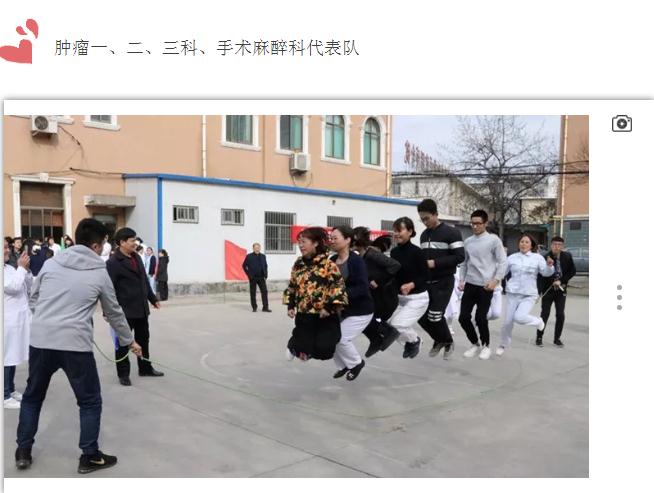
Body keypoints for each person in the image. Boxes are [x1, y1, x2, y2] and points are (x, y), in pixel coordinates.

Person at [15, 218, 142, 474]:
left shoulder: (51, 264)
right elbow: (113, 312)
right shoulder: (99, 272)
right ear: (95, 246)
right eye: (103, 243)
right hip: (75, 345)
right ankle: (89, 456)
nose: (103, 248)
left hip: (41, 341)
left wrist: (46, 319)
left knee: (32, 397)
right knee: (90, 401)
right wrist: (129, 341)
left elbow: (34, 297)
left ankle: (23, 451)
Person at [106, 227, 164, 386]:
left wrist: (152, 299)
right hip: (124, 311)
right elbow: (108, 290)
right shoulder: (112, 263)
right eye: (132, 240)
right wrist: (108, 312)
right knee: (123, 343)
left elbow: (144, 280)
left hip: (141, 309)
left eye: (135, 240)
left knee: (144, 339)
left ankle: (145, 368)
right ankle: (123, 374)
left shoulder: (136, 257)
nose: (135, 243)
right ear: (122, 242)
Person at [283, 227, 347, 362]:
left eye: (304, 242)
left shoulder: (328, 265)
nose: (300, 246)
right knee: (304, 345)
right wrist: (290, 305)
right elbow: (293, 285)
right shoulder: (298, 264)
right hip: (304, 314)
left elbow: (337, 286)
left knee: (325, 351)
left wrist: (328, 307)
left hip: (324, 315)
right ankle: (294, 345)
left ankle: (303, 348)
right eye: (299, 242)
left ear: (316, 243)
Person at [417, 199, 465, 359]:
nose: (425, 222)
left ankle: (448, 342)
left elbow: (460, 257)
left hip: (444, 281)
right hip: (427, 282)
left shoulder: (452, 233)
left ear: (436, 214)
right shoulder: (424, 235)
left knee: (435, 315)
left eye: (427, 218)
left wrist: (435, 263)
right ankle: (439, 340)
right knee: (421, 317)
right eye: (422, 219)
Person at [458, 210, 508, 360]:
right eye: (472, 223)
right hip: (470, 284)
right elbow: (464, 263)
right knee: (463, 318)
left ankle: (486, 346)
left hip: (486, 286)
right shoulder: (468, 242)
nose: (475, 226)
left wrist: (495, 281)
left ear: (485, 223)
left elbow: (503, 262)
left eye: (478, 223)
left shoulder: (493, 240)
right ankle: (475, 344)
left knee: (480, 318)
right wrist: (461, 280)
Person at [329, 226, 374, 381]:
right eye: (331, 238)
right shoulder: (332, 260)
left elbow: (362, 287)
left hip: (360, 310)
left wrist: (340, 295)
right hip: (341, 309)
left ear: (347, 240)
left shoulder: (356, 261)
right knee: (329, 337)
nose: (332, 241)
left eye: (335, 238)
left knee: (341, 338)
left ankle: (356, 363)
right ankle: (343, 366)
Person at [497, 234, 555, 356]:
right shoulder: (512, 258)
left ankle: (538, 322)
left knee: (519, 317)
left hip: (529, 294)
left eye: (527, 242)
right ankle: (503, 344)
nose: (523, 244)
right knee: (507, 322)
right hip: (512, 293)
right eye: (522, 241)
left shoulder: (537, 258)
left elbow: (545, 273)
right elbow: (502, 272)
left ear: (531, 245)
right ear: (519, 244)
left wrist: (550, 266)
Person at [352, 228, 401, 358]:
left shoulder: (372, 254)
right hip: (375, 296)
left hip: (385, 297)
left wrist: (378, 281)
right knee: (358, 316)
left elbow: (395, 265)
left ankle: (387, 332)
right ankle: (376, 339)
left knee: (360, 315)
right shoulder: (359, 257)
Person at [387, 217, 429, 359]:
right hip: (400, 298)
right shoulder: (394, 252)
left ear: (410, 232)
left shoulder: (418, 252)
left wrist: (411, 284)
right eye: (395, 231)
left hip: (417, 298)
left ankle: (414, 340)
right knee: (389, 326)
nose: (396, 234)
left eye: (400, 230)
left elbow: (426, 275)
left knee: (397, 325)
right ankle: (411, 342)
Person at [4, 240, 32, 409]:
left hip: (17, 319)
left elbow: (27, 285)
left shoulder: (9, 268)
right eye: (4, 248)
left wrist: (25, 270)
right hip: (7, 321)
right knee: (6, 357)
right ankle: (4, 395)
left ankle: (10, 388)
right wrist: (21, 268)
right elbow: (13, 287)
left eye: (7, 247)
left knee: (13, 355)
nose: (8, 250)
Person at [537, 236, 577, 347]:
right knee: (544, 314)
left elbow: (572, 271)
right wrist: (539, 291)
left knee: (560, 314)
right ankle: (539, 337)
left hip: (561, 290)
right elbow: (540, 275)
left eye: (559, 245)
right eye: (555, 244)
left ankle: (557, 338)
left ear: (563, 246)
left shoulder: (567, 256)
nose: (557, 247)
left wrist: (562, 281)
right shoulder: (545, 257)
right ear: (551, 245)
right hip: (548, 290)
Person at [242, 243, 270, 312]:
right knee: (253, 293)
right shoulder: (249, 256)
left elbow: (265, 266)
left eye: (258, 248)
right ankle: (254, 307)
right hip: (253, 278)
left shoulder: (263, 256)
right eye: (255, 248)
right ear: (253, 249)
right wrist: (249, 275)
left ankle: (265, 307)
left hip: (261, 277)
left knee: (264, 292)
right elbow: (244, 266)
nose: (257, 249)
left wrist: (266, 274)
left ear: (260, 248)